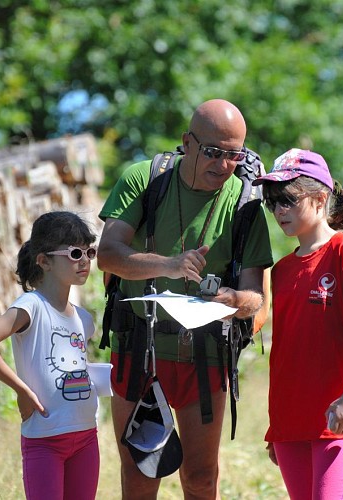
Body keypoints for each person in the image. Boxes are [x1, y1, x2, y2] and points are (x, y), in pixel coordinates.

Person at [97, 98, 273, 499]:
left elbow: (256, 296)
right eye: (213, 153)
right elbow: (107, 255)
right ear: (187, 143)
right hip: (140, 349)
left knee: (201, 478)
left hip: (206, 355)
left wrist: (233, 300)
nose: (224, 165)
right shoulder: (145, 179)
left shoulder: (245, 203)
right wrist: (170, 265)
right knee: (140, 476)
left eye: (234, 155)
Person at [255, 149, 343, 499]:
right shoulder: (281, 270)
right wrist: (277, 426)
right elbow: (286, 349)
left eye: (288, 199)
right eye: (272, 201)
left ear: (320, 198)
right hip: (289, 419)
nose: (279, 210)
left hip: (335, 415)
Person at [0, 211, 101, 500]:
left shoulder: (83, 319)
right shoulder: (31, 306)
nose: (85, 260)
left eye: (89, 251)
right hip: (45, 440)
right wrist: (22, 390)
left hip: (86, 436)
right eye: (75, 252)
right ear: (44, 261)